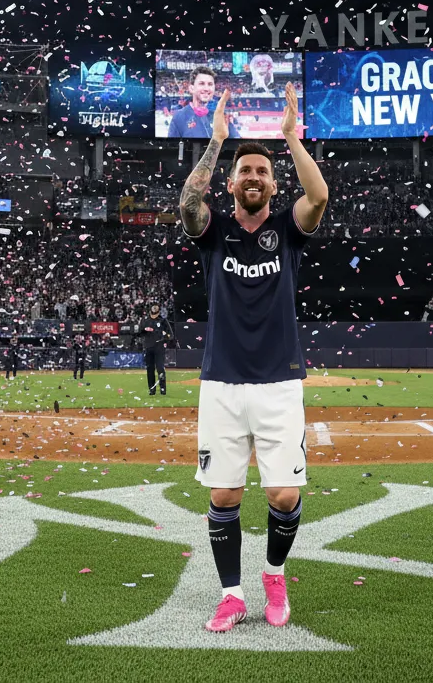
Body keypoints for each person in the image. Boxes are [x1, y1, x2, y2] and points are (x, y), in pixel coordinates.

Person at [179, 83, 327, 632]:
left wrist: (290, 137)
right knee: (224, 493)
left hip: (279, 382)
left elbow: (319, 197)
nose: (254, 177)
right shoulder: (214, 232)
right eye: (245, 171)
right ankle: (231, 594)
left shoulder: (287, 230)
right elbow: (187, 205)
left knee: (284, 495)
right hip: (222, 381)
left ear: (273, 183)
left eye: (263, 171)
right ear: (232, 182)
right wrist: (217, 142)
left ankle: (274, 575)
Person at [167, 66, 241, 140]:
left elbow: (238, 142)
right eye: (201, 84)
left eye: (210, 84)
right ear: (192, 88)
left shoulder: (221, 116)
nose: (206, 88)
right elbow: (171, 145)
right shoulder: (179, 117)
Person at [138, 303, 173, 395]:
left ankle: (163, 388)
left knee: (160, 368)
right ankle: (152, 389)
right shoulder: (145, 320)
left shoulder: (163, 320)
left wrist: (164, 336)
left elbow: (170, 335)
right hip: (148, 347)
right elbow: (139, 333)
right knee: (150, 369)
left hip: (159, 347)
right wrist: (145, 330)